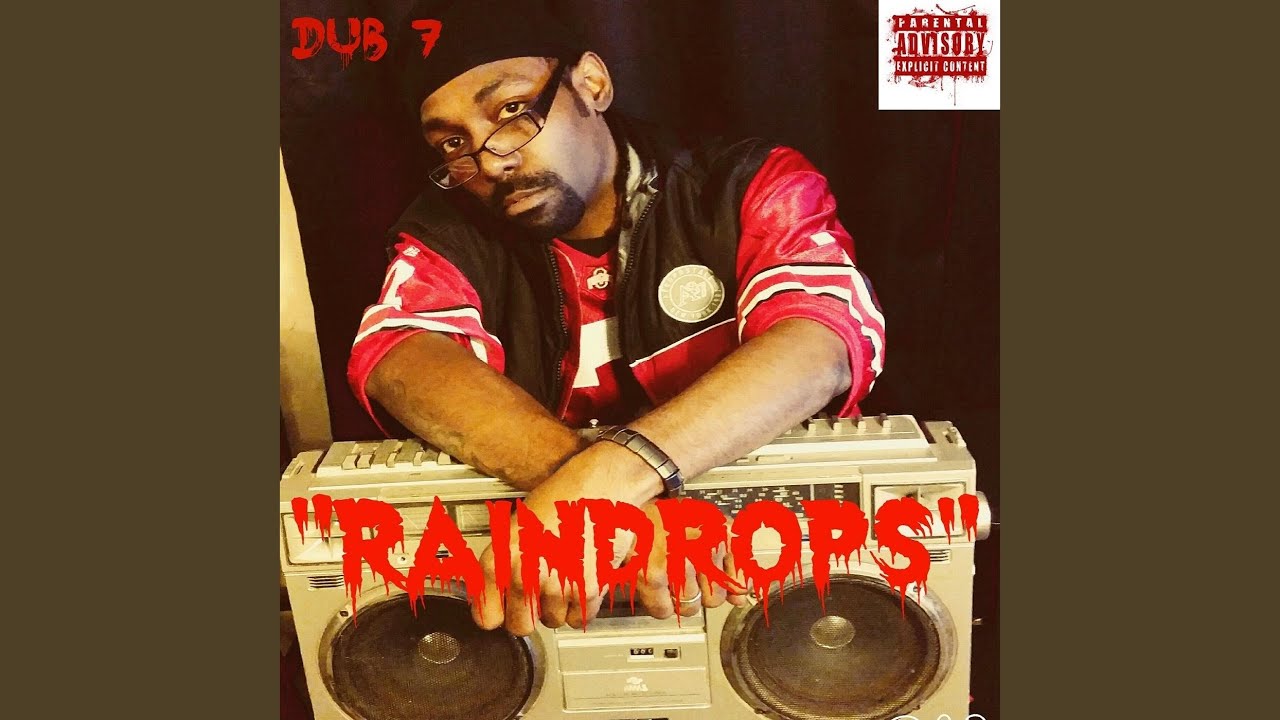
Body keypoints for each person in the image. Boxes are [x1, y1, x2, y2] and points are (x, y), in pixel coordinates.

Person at [346, 0, 886, 636]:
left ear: (592, 84)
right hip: (551, 601)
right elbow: (401, 357)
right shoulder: (449, 229)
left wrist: (614, 478)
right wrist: (608, 499)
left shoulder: (746, 184)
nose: (490, 163)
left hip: (775, 588)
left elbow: (821, 338)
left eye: (512, 111)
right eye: (453, 143)